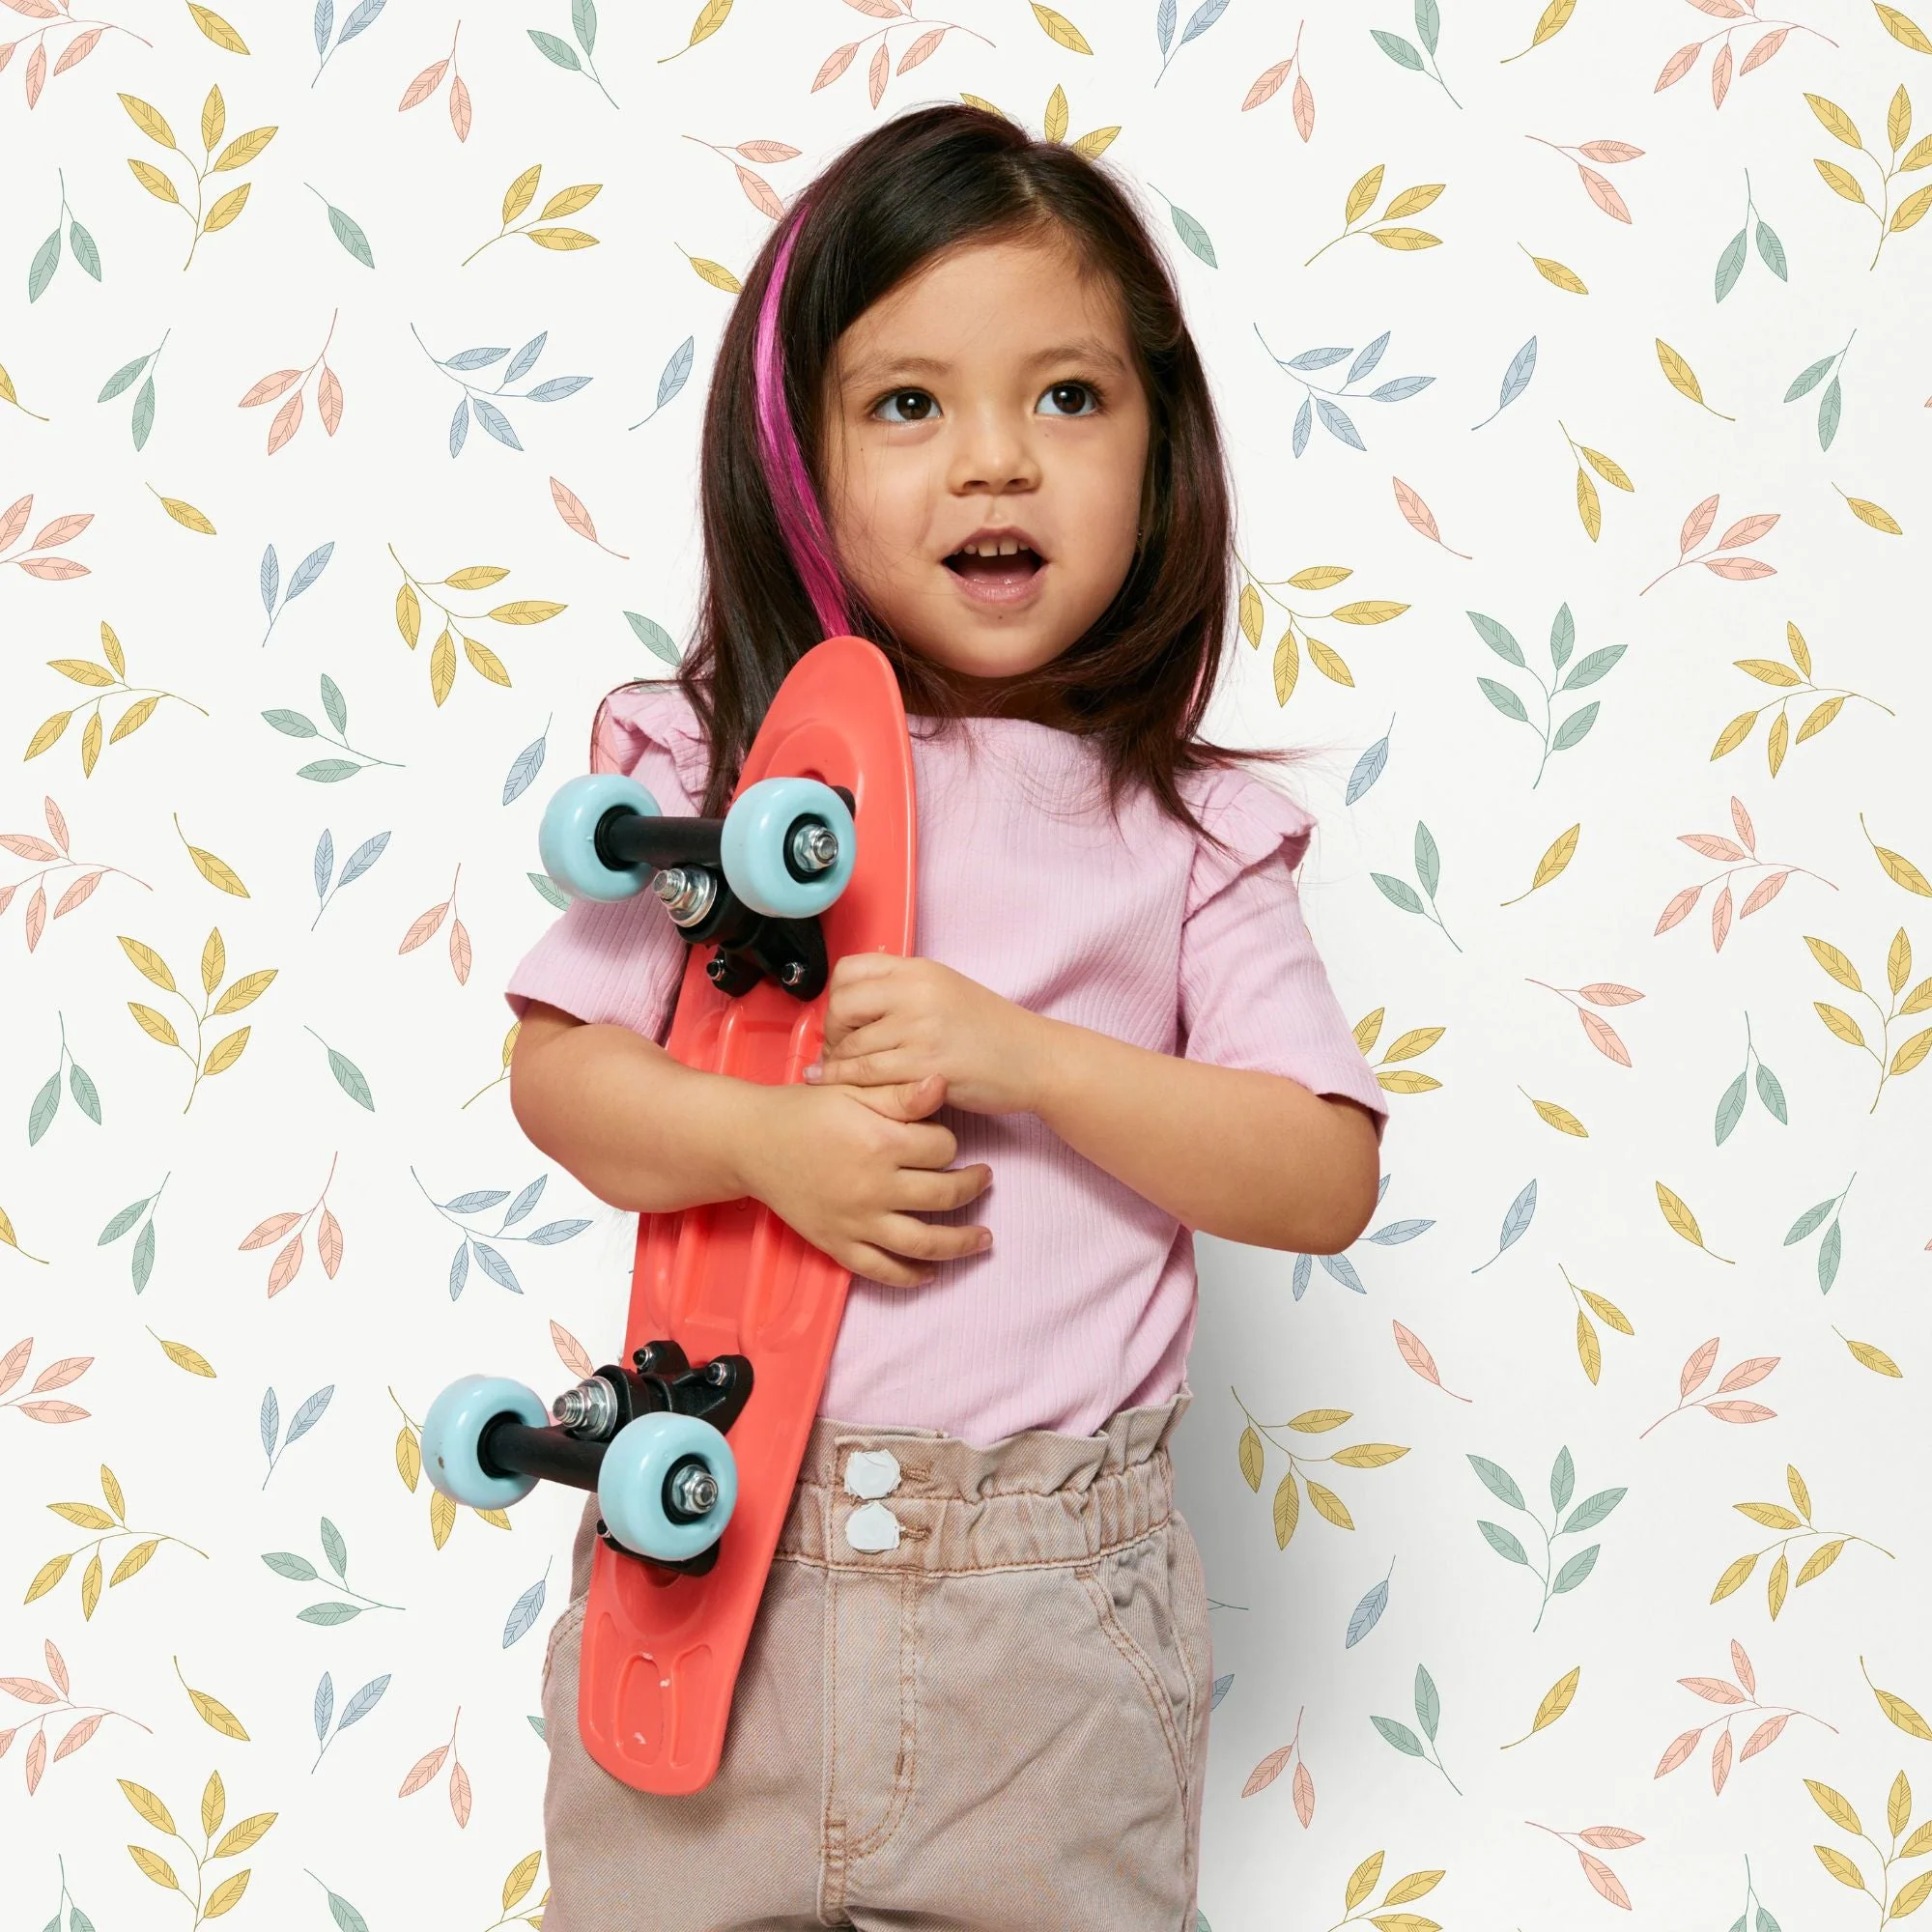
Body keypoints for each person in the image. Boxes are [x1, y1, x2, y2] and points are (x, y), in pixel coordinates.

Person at [503, 101, 1387, 1932]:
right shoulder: (704, 772)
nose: (996, 461)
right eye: (908, 403)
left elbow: (1319, 1173)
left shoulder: (1191, 833)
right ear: (794, 454)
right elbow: (562, 1075)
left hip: (1042, 1641)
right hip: (715, 1562)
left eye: (1069, 396)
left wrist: (1030, 1059)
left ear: (1162, 444)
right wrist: (769, 1143)